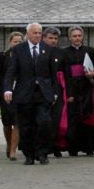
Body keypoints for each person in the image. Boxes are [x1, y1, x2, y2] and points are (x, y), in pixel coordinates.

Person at [3, 22, 61, 165]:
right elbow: (11, 72)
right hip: (24, 93)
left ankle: (42, 153)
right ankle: (29, 155)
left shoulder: (48, 49)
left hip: (43, 93)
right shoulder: (18, 50)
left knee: (45, 123)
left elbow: (54, 74)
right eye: (34, 33)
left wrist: (55, 92)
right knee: (26, 126)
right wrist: (8, 89)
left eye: (39, 33)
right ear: (27, 34)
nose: (37, 35)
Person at [60, 26, 94, 157]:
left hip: (86, 86)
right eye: (74, 36)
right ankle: (73, 148)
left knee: (87, 115)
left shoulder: (90, 50)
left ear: (83, 36)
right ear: (70, 37)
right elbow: (64, 73)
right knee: (73, 118)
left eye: (79, 36)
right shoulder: (64, 52)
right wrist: (69, 92)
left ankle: (88, 147)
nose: (77, 38)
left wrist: (93, 76)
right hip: (72, 87)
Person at [0, 31, 24, 160]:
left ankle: (13, 150)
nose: (17, 44)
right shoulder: (3, 56)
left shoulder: (26, 55)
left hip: (20, 92)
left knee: (18, 122)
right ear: (10, 42)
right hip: (5, 93)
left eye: (20, 42)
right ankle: (8, 144)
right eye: (15, 41)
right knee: (7, 122)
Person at [42, 27, 68, 157]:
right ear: (44, 38)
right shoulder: (39, 51)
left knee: (56, 120)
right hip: (41, 89)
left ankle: (55, 146)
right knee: (43, 120)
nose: (53, 41)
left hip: (58, 89)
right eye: (50, 38)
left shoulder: (61, 53)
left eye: (55, 38)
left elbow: (66, 74)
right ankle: (42, 147)